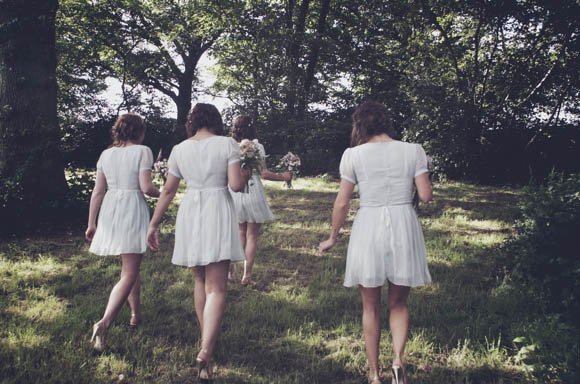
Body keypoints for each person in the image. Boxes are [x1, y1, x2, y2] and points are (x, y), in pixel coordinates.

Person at [318, 101, 432, 384]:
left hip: (368, 226)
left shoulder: (353, 155)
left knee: (370, 306)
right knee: (399, 302)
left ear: (360, 125)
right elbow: (426, 196)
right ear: (387, 122)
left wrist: (333, 237)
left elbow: (342, 201)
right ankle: (397, 361)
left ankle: (373, 374)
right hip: (403, 223)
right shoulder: (413, 150)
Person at [146, 103, 248, 381]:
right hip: (217, 208)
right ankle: (205, 349)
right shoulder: (227, 144)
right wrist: (247, 173)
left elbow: (167, 191)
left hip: (191, 209)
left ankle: (208, 347)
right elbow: (236, 185)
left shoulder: (179, 149)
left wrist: (153, 224)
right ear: (215, 120)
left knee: (200, 282)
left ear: (192, 122)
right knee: (217, 288)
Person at [86, 113, 160, 352]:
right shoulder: (143, 151)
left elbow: (98, 191)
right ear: (139, 131)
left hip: (110, 208)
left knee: (131, 267)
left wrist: (91, 223)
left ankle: (135, 314)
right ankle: (104, 323)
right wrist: (166, 192)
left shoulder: (106, 154)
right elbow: (146, 188)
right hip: (131, 207)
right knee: (129, 272)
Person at [229, 115, 291, 285]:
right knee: (252, 236)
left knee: (240, 232)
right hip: (253, 190)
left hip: (235, 191)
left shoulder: (230, 146)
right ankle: (246, 275)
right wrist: (284, 177)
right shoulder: (257, 146)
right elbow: (264, 173)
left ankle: (232, 268)